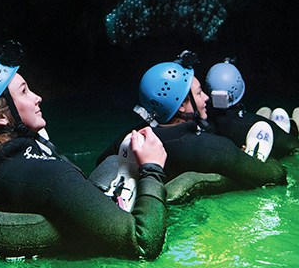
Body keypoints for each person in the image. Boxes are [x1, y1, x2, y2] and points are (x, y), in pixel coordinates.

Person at [0, 45, 170, 260]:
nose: (38, 97)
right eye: (24, 91)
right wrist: (152, 168)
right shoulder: (50, 175)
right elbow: (143, 243)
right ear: (1, 117)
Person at [98, 51, 287, 200]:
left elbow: (101, 163)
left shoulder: (130, 139)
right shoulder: (213, 149)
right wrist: (272, 163)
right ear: (181, 105)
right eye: (199, 93)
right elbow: (275, 177)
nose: (206, 97)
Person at [205, 58, 299, 157]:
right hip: (270, 136)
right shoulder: (250, 123)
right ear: (240, 89)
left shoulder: (204, 122)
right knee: (284, 136)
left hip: (232, 138)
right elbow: (297, 146)